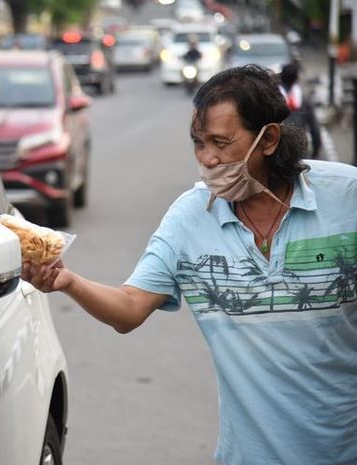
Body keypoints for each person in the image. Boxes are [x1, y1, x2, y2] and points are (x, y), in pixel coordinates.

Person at [22, 65, 357, 465]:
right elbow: (129, 309)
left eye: (221, 142)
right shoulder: (189, 217)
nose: (208, 158)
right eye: (198, 143)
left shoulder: (346, 197)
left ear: (268, 139)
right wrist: (68, 281)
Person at [279, 62, 322, 159]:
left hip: (277, 148)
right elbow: (314, 127)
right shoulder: (304, 99)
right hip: (299, 147)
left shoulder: (273, 98)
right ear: (296, 78)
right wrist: (316, 149)